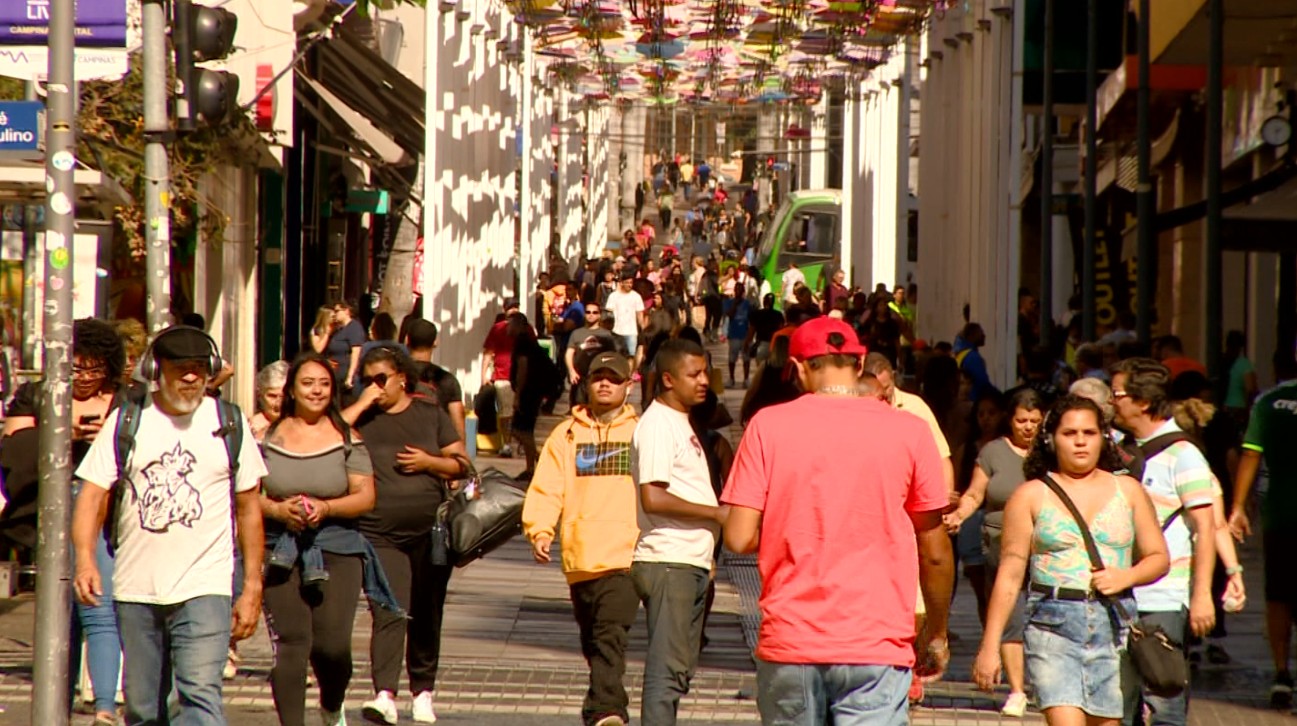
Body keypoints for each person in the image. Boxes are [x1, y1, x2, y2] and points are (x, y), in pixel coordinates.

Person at [722, 317, 954, 724]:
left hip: (792, 639)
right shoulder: (911, 431)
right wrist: (936, 632)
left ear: (797, 367)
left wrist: (792, 530)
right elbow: (934, 550)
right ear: (860, 364)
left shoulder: (766, 427)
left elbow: (739, 537)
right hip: (876, 642)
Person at [72, 325, 267, 725]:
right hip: (136, 586)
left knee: (198, 691)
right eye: (181, 369)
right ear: (156, 370)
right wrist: (85, 561)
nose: (192, 377)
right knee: (144, 708)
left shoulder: (229, 423)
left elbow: (249, 507)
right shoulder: (127, 421)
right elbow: (91, 496)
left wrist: (251, 585)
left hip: (205, 584)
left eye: (199, 368)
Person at [973, 395, 1170, 726]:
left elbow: (1158, 558)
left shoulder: (1128, 490)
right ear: (1051, 439)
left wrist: (1127, 576)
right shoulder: (1031, 495)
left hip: (1114, 625)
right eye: (1070, 433)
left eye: (1089, 433)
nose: (1080, 441)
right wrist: (990, 646)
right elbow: (1009, 574)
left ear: (1103, 437)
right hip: (1053, 625)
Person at [259, 353, 392, 726]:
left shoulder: (347, 437)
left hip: (338, 546)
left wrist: (327, 507)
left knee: (332, 646)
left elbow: (365, 496)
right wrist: (276, 511)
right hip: (281, 548)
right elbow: (247, 495)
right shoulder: (266, 436)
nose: (316, 391)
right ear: (291, 390)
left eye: (323, 384)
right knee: (292, 642)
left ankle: (332, 703)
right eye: (307, 383)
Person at [5, 319, 126, 724]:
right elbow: (13, 444)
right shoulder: (38, 395)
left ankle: (105, 707)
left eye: (95, 370)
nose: (86, 379)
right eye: (77, 368)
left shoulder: (128, 400)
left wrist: (105, 438)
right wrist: (61, 431)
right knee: (62, 610)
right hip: (53, 507)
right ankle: (58, 704)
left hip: (106, 510)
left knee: (96, 603)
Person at [342, 345, 469, 724]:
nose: (375, 387)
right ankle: (384, 693)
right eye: (368, 380)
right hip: (379, 531)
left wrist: (430, 462)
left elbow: (461, 464)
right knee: (389, 609)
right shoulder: (361, 418)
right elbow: (331, 433)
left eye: (381, 379)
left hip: (429, 531)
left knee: (427, 612)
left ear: (402, 378)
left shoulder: (429, 415)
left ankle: (423, 690)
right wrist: (363, 401)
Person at [523, 352, 640, 726]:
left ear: (628, 385)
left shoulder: (642, 432)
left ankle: (608, 710)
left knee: (610, 635)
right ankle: (598, 709)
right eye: (597, 378)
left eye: (613, 378)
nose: (605, 384)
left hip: (625, 556)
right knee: (593, 641)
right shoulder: (566, 434)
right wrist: (541, 530)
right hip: (580, 556)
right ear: (585, 383)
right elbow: (547, 488)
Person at [1110, 358, 1217, 726]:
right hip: (1116, 594)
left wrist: (1202, 595)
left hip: (1163, 598)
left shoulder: (1184, 455)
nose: (1112, 403)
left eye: (1118, 395)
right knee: (1117, 704)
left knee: (1164, 700)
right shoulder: (1116, 449)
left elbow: (1206, 527)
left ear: (1143, 401)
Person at [631, 338, 724, 725]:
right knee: (666, 673)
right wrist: (716, 514)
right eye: (695, 374)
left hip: (689, 560)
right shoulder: (657, 425)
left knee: (679, 668)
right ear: (668, 379)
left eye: (705, 372)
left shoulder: (680, 421)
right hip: (669, 560)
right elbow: (653, 497)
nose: (704, 381)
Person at [944, 387, 1046, 716]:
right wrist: (961, 513)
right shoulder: (992, 452)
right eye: (1021, 420)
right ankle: (1017, 689)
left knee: (1046, 616)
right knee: (1009, 614)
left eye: (1034, 420)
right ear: (1010, 420)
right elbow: (975, 492)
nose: (1028, 427)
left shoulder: (1052, 451)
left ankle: (1045, 684)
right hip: (1001, 545)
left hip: (1047, 547)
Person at [1228, 350, 1297, 708]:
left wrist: (1239, 506)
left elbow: (1251, 453)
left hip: (1281, 515)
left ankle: (1281, 672)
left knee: (1279, 596)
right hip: (1281, 515)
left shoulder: (1269, 403)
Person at [402, 319, 467, 442]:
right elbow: (458, 422)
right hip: (436, 450)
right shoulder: (447, 380)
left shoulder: (396, 377)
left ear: (407, 340)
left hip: (400, 447)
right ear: (435, 342)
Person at [481, 298, 521, 457]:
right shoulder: (497, 329)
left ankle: (520, 443)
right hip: (502, 376)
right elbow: (488, 353)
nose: (513, 310)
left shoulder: (526, 329)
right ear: (505, 310)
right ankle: (507, 443)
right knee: (506, 412)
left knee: (520, 412)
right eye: (510, 308)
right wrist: (483, 375)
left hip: (523, 378)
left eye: (516, 307)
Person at [606, 274, 646, 366]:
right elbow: (609, 314)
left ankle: (628, 376)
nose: (629, 285)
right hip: (616, 331)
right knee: (617, 355)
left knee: (630, 356)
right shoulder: (613, 296)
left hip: (632, 332)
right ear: (622, 283)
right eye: (627, 282)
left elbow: (640, 314)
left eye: (631, 283)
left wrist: (642, 329)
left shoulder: (636, 296)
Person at [325, 300, 366, 390]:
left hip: (345, 375)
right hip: (335, 374)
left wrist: (350, 377)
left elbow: (356, 353)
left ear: (346, 311)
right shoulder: (338, 329)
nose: (335, 314)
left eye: (337, 311)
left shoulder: (354, 328)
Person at [1220, 330, 1257, 424]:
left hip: (1223, 407)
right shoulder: (1244, 364)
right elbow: (1250, 389)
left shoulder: (1221, 362)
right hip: (1239, 408)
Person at [954, 323, 994, 402]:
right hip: (973, 400)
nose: (984, 336)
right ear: (972, 335)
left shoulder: (960, 353)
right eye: (980, 333)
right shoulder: (972, 357)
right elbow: (982, 382)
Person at [251, 360, 290, 442]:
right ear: (260, 396)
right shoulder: (250, 428)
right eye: (272, 396)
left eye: (284, 396)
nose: (278, 403)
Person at [724, 282, 753, 387]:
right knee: (732, 358)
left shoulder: (747, 304)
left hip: (744, 334)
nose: (738, 291)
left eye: (741, 289)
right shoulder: (729, 302)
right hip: (734, 334)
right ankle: (731, 378)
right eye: (737, 289)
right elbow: (729, 315)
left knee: (746, 358)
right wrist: (735, 305)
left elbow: (751, 319)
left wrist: (750, 335)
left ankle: (746, 379)